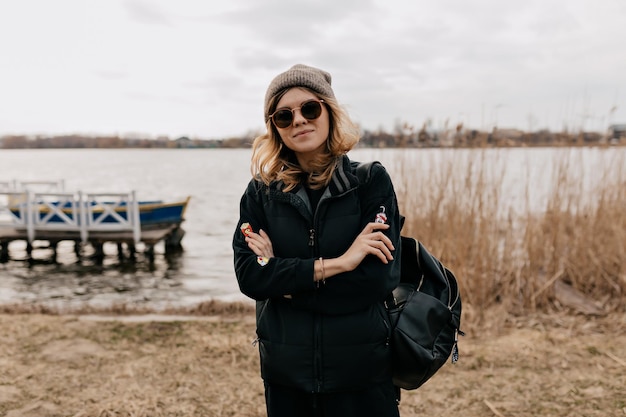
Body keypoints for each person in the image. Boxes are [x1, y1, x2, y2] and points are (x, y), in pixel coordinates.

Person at [232, 64, 402, 417]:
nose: (298, 121)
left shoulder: (370, 183)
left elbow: (377, 279)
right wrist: (340, 264)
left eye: (309, 109)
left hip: (362, 373)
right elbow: (250, 276)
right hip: (286, 376)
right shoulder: (260, 195)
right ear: (274, 128)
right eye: (283, 115)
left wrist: (283, 284)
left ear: (329, 112)